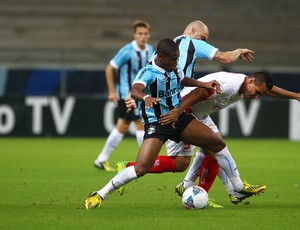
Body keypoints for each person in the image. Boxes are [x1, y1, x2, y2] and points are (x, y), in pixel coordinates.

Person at [84, 38, 266, 209]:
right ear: (160, 57)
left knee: (216, 143)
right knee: (141, 168)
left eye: (177, 59)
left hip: (178, 118)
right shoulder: (147, 72)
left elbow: (183, 79)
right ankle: (101, 193)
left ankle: (238, 187)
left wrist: (202, 84)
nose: (175, 63)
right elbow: (135, 90)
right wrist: (146, 97)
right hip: (157, 123)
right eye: (172, 59)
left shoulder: (174, 66)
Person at [121, 69, 300, 206]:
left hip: (199, 113)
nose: (256, 97)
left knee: (206, 150)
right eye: (257, 92)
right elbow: (198, 93)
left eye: (260, 94)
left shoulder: (246, 84)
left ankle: (209, 189)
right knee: (202, 152)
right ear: (251, 80)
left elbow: (269, 89)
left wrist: (295, 96)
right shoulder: (230, 84)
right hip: (184, 110)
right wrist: (178, 112)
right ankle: (229, 189)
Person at [94, 20, 154, 172]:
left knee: (122, 126)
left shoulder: (150, 49)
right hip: (127, 96)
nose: (143, 36)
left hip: (140, 95)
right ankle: (146, 161)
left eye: (145, 33)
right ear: (134, 35)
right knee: (141, 124)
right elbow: (109, 68)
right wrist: (112, 92)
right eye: (140, 34)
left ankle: (101, 159)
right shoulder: (127, 51)